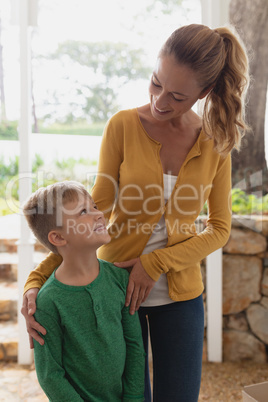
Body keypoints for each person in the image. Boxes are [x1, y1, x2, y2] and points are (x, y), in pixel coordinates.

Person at [21, 24, 249, 402]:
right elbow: (94, 209)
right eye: (155, 83)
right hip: (113, 288)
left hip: (181, 298)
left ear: (204, 93)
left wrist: (156, 262)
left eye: (177, 96)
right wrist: (35, 280)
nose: (160, 100)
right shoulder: (123, 126)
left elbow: (220, 228)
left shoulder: (216, 141)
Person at [22, 181, 145, 401]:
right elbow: (50, 375)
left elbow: (135, 346)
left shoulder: (120, 279)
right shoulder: (48, 301)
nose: (99, 214)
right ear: (58, 237)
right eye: (83, 212)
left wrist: (134, 398)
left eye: (95, 206)